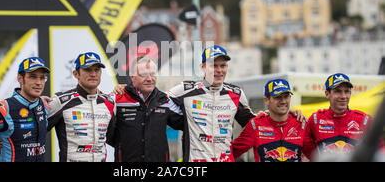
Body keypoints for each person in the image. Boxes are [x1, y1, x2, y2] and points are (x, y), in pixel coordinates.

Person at [167, 45, 305, 162]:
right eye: (213, 66)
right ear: (202, 67)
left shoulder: (236, 94)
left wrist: (284, 114)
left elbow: (253, 123)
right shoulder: (185, 90)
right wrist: (185, 124)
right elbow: (160, 104)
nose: (219, 70)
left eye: (223, 65)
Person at [107, 55, 184, 162]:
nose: (149, 79)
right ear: (132, 76)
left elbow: (188, 124)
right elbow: (104, 131)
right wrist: (121, 146)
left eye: (152, 74)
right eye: (143, 74)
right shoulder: (117, 99)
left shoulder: (164, 100)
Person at [47, 52, 115, 162]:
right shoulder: (61, 101)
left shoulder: (109, 103)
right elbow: (36, 132)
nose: (93, 74)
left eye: (97, 70)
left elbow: (116, 139)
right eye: (88, 70)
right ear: (75, 74)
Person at [303, 73, 384, 160]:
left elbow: (381, 150)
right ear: (327, 94)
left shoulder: (364, 119)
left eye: (347, 91)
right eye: (338, 91)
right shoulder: (316, 120)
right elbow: (307, 150)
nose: (343, 96)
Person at [0, 57, 50, 162]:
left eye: (42, 78)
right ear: (20, 78)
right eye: (33, 77)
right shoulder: (3, 108)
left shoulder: (44, 105)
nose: (39, 83)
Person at [231, 79, 307, 162]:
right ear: (266, 100)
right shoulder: (256, 125)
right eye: (278, 97)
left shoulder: (301, 123)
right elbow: (230, 153)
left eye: (286, 96)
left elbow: (318, 153)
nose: (283, 101)